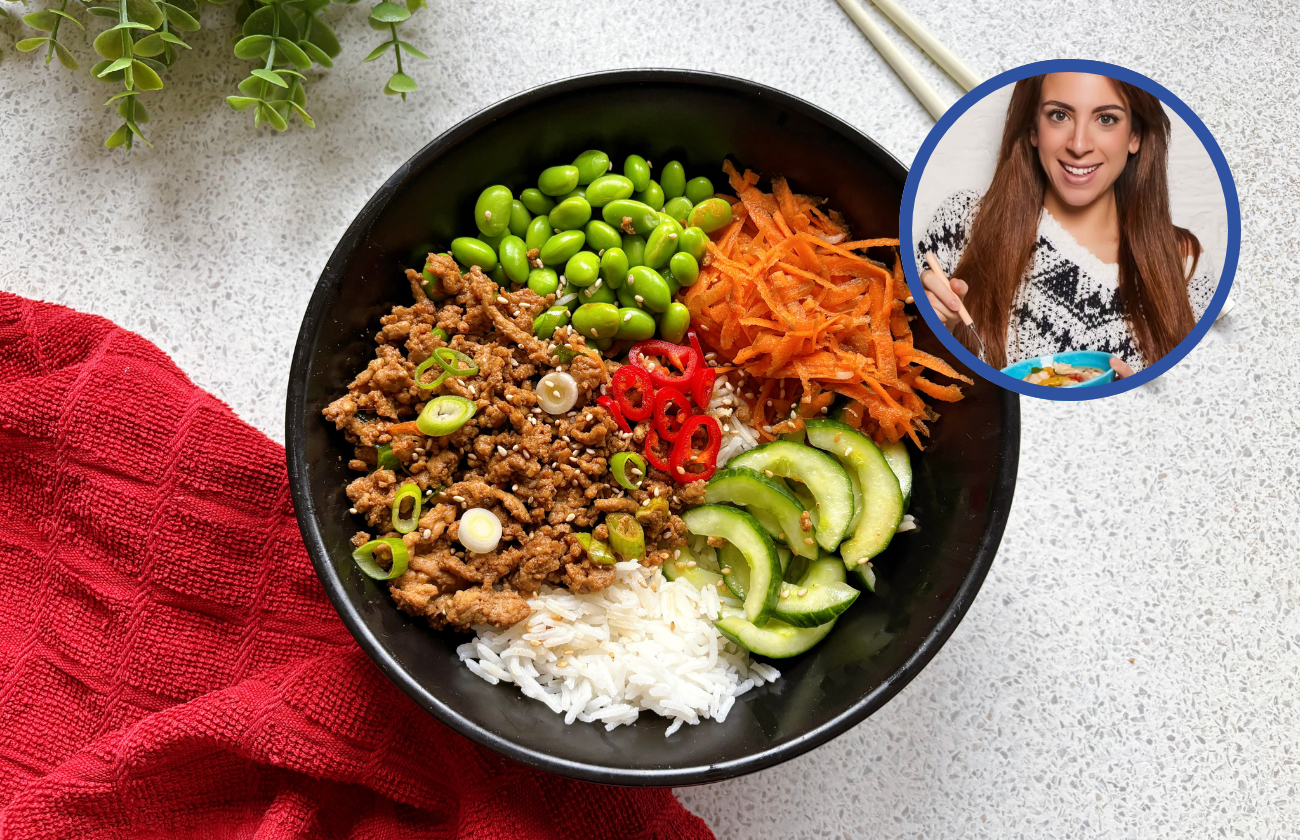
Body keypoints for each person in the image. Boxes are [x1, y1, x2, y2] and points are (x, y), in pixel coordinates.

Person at [916, 72, 1217, 375]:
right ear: (1033, 128)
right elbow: (902, 360)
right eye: (1059, 115)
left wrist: (1137, 402)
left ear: (1135, 136)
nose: (1079, 144)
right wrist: (940, 333)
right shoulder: (963, 220)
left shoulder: (1185, 264)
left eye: (1107, 119)